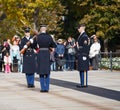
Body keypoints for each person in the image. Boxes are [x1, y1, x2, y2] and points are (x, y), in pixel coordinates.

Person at [36, 25, 57, 92]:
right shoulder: (49, 37)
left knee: (41, 72)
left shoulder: (38, 37)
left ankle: (42, 88)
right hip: (47, 54)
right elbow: (54, 45)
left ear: (40, 29)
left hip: (40, 54)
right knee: (47, 72)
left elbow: (34, 45)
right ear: (46, 29)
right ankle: (47, 88)